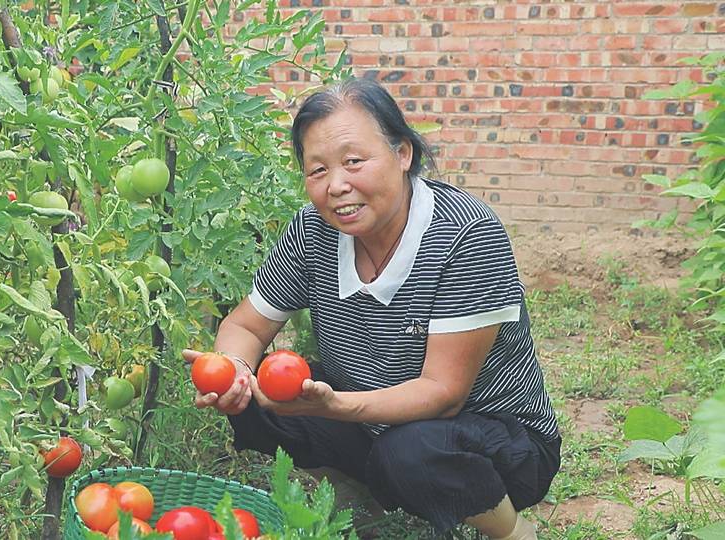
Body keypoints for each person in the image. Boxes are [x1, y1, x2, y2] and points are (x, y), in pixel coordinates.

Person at [182, 78, 560, 540]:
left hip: (490, 442)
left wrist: (338, 407)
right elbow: (245, 324)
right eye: (317, 170)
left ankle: (513, 530)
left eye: (353, 162)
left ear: (403, 154)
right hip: (372, 417)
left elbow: (444, 394)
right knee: (261, 394)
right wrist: (235, 371)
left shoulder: (467, 235)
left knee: (411, 451)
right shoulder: (314, 231)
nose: (337, 186)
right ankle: (357, 489)